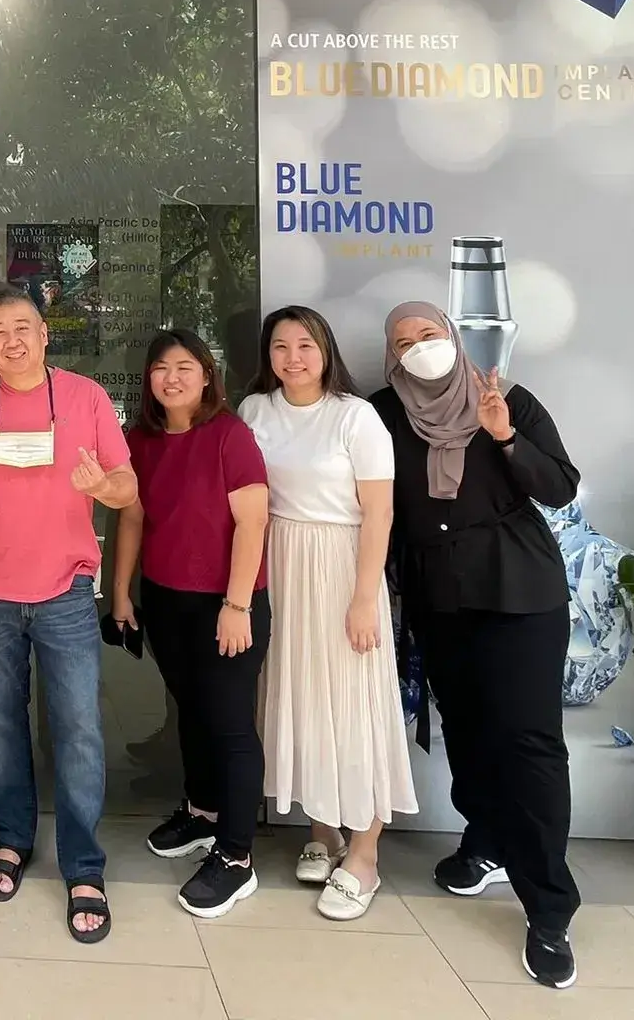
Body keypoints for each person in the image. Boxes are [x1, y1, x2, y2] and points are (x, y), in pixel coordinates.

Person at [373, 301, 582, 990]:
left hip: (519, 589)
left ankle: (548, 909)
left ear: (453, 336)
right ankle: (486, 839)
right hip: (439, 597)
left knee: (529, 742)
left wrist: (506, 438)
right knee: (465, 730)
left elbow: (561, 487)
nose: (418, 347)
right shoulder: (383, 412)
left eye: (428, 334)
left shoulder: (507, 398)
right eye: (403, 340)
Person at [0, 288, 135, 943]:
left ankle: (84, 866)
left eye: (23, 328)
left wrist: (102, 487)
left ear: (44, 334)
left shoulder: (86, 398)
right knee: (2, 723)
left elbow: (127, 487)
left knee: (79, 728)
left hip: (65, 592)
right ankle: (12, 836)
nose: (12, 341)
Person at [238, 307, 416, 921]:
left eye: (305, 345)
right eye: (280, 347)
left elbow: (380, 514)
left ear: (326, 351)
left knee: (355, 703)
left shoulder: (355, 416)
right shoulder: (254, 411)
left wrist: (365, 597)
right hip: (277, 562)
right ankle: (324, 831)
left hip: (342, 566)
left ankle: (365, 853)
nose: (293, 358)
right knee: (298, 696)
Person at [111, 330, 270, 920]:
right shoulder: (141, 440)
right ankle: (203, 814)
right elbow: (132, 521)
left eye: (185, 367)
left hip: (225, 605)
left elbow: (253, 523)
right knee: (191, 712)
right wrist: (121, 594)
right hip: (165, 600)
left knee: (230, 725)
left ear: (207, 375)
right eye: (160, 368)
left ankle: (236, 855)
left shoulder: (230, 435)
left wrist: (237, 606)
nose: (172, 378)